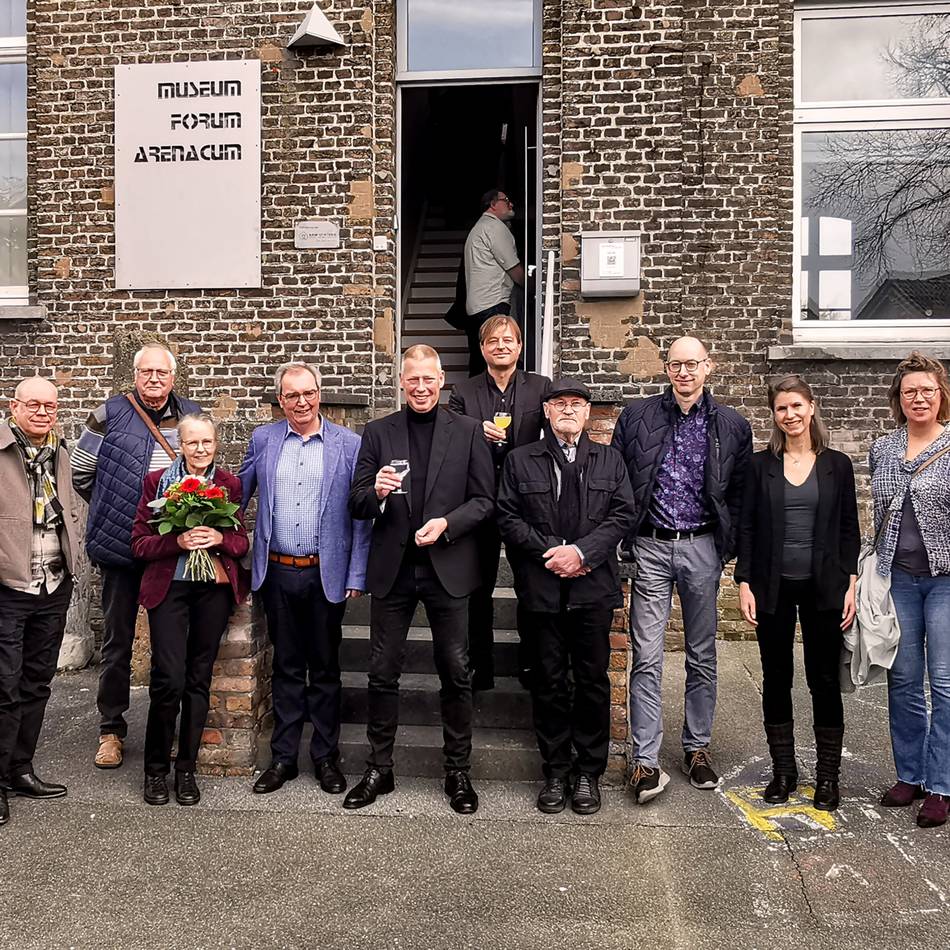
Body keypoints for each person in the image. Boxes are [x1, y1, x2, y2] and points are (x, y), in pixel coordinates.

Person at [345, 345, 494, 813]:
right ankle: (380, 768)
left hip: (447, 568)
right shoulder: (378, 431)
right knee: (382, 672)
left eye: (429, 379)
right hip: (394, 570)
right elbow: (355, 501)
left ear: (441, 379)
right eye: (413, 379)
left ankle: (457, 771)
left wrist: (448, 523)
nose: (422, 387)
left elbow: (485, 500)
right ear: (401, 380)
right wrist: (377, 492)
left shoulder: (469, 432)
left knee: (455, 672)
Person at [611, 336, 752, 804]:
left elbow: (739, 493)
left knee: (701, 652)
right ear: (666, 369)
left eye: (693, 364)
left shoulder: (732, 425)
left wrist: (726, 547)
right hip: (651, 544)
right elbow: (618, 479)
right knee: (646, 654)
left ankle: (696, 748)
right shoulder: (637, 417)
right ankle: (645, 760)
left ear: (708, 367)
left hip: (702, 547)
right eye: (676, 365)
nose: (684, 372)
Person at [497, 379, 635, 815]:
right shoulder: (521, 461)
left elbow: (623, 515)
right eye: (560, 404)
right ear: (547, 413)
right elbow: (507, 515)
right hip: (542, 589)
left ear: (588, 412)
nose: (568, 411)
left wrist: (582, 553)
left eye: (576, 404)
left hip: (592, 590)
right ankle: (556, 770)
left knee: (592, 682)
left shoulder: (611, 461)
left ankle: (587, 774)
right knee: (550, 681)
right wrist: (549, 553)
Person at [239, 362, 370, 796]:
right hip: (277, 570)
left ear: (320, 394)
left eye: (308, 393)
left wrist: (356, 572)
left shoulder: (348, 445)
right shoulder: (263, 439)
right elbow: (236, 495)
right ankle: (283, 758)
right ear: (280, 400)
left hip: (325, 572)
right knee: (286, 666)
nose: (301, 401)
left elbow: (360, 518)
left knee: (326, 669)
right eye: (291, 395)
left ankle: (326, 758)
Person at [72, 344, 200, 770]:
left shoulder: (191, 414)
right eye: (147, 372)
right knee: (117, 642)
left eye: (162, 372)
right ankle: (111, 730)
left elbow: (202, 465)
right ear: (135, 374)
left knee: (175, 647)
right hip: (122, 544)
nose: (154, 379)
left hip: (172, 548)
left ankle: (171, 731)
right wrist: (115, 507)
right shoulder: (108, 414)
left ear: (173, 377)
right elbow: (80, 472)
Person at [735, 376, 859, 812]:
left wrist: (851, 582)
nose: (789, 415)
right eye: (781, 409)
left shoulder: (837, 464)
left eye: (796, 406)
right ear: (774, 415)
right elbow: (746, 526)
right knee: (777, 677)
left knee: (823, 679)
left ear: (811, 407)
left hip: (824, 586)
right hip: (773, 587)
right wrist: (744, 581)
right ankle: (783, 771)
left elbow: (849, 528)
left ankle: (828, 778)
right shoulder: (759, 465)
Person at [131, 413, 249, 806]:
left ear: (216, 444)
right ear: (180, 445)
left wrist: (218, 536)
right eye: (193, 443)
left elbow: (241, 543)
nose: (201, 450)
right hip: (170, 589)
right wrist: (178, 541)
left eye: (207, 443)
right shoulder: (156, 484)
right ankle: (154, 771)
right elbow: (140, 545)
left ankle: (186, 770)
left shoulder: (229, 485)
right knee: (169, 678)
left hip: (211, 591)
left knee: (199, 679)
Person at [448, 315, 550, 690]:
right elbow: (451, 440)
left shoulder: (541, 388)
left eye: (508, 340)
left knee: (531, 586)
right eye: (493, 341)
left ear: (520, 346)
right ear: (482, 348)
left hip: (527, 501)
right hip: (481, 497)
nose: (501, 346)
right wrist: (477, 431)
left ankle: (530, 664)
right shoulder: (464, 391)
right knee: (479, 587)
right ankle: (481, 666)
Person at [870, 352, 950, 829]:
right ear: (898, 401)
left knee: (943, 683)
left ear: (942, 397)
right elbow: (878, 517)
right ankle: (911, 775)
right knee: (902, 680)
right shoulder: (882, 448)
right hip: (896, 577)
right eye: (909, 392)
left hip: (944, 581)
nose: (919, 398)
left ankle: (941, 784)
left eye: (928, 390)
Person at [0, 377, 82, 828]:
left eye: (50, 405)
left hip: (52, 586)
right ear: (14, 406)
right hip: (8, 586)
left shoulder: (61, 452)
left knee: (36, 683)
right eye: (33, 404)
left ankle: (19, 769)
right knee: (3, 687)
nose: (43, 412)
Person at [461, 190, 525, 376]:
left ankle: (471, 404)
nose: (511, 204)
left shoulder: (479, 228)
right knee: (498, 366)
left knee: (479, 366)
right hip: (492, 305)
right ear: (493, 204)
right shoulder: (495, 228)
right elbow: (514, 269)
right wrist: (534, 290)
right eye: (506, 200)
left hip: (477, 307)